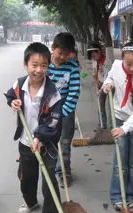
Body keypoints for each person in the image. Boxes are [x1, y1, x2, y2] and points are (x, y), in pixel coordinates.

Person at [4, 42, 67, 213]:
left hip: (45, 144)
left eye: (44, 66)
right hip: (25, 142)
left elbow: (54, 120)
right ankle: (30, 202)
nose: (39, 70)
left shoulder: (52, 92)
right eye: (34, 65)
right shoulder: (19, 84)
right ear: (26, 65)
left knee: (49, 181)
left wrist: (40, 136)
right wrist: (12, 103)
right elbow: (9, 95)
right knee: (26, 177)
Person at [101, 42, 133, 210]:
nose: (132, 68)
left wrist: (125, 128)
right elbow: (109, 78)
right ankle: (117, 195)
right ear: (121, 58)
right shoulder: (116, 66)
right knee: (120, 159)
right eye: (128, 64)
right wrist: (107, 84)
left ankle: (131, 195)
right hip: (119, 118)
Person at [48, 32, 80, 187]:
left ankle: (64, 172)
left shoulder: (72, 67)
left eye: (66, 55)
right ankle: (49, 169)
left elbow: (74, 92)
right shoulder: (44, 64)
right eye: (60, 53)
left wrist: (63, 113)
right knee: (47, 141)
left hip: (66, 110)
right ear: (53, 48)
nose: (62, 57)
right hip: (45, 111)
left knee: (65, 142)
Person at [88, 43, 109, 129]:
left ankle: (113, 126)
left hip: (110, 85)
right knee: (100, 106)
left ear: (99, 52)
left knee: (112, 107)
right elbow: (96, 73)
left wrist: (102, 87)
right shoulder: (95, 61)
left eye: (95, 54)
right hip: (101, 84)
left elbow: (108, 76)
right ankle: (102, 125)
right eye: (92, 55)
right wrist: (96, 80)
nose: (93, 56)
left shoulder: (107, 61)